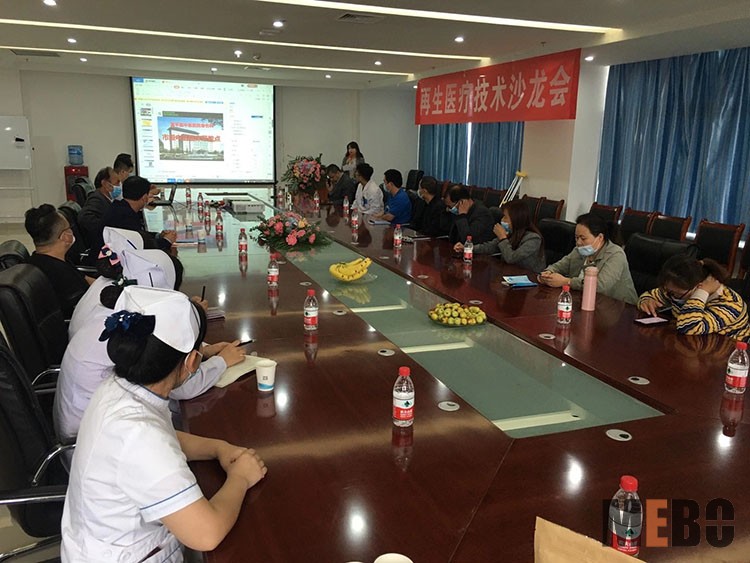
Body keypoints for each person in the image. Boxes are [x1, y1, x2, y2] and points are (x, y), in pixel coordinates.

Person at [61, 286, 266, 562]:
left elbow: (164, 438)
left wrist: (217, 448)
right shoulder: (138, 433)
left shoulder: (118, 387)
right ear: (192, 362)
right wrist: (241, 477)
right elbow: (206, 534)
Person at [54, 248, 246, 444]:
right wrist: (222, 362)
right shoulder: (129, 332)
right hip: (90, 439)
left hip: (94, 425)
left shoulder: (122, 316)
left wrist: (203, 350)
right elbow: (179, 385)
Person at [638, 255, 750, 339]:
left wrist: (701, 293)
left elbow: (689, 327)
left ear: (697, 286)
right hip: (692, 345)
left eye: (674, 294)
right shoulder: (677, 291)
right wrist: (647, 301)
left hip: (727, 355)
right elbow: (650, 295)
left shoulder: (730, 304)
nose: (671, 296)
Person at [539, 213, 638, 304]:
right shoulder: (578, 250)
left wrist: (567, 282)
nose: (578, 243)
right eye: (576, 237)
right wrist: (547, 274)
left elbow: (600, 286)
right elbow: (559, 266)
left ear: (600, 237)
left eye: (583, 238)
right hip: (585, 301)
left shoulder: (616, 254)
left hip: (619, 308)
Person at [24, 204, 92, 318]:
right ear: (66, 236)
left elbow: (85, 279)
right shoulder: (60, 274)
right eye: (69, 228)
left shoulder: (41, 260)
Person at [454, 199, 545, 272]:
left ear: (516, 219)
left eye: (505, 217)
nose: (502, 220)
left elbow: (511, 258)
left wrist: (502, 238)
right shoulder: (511, 233)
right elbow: (489, 247)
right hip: (509, 274)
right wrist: (468, 248)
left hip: (530, 280)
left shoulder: (533, 239)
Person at [99, 175, 177, 254]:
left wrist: (158, 236)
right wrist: (166, 241)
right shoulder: (126, 217)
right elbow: (142, 246)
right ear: (145, 198)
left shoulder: (120, 207)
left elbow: (140, 235)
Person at [78, 166, 120, 250]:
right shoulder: (96, 199)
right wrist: (106, 231)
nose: (119, 186)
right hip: (101, 247)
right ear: (105, 184)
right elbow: (83, 217)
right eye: (117, 182)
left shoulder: (105, 198)